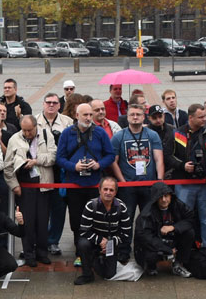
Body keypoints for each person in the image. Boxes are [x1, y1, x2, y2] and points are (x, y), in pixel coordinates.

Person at [57, 100, 117, 243]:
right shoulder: (66, 133)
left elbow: (110, 155)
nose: (88, 118)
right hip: (74, 185)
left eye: (90, 114)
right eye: (85, 115)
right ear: (77, 115)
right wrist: (74, 167)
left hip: (94, 184)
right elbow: (59, 158)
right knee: (76, 220)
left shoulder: (100, 133)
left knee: (96, 219)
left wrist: (98, 165)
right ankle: (79, 251)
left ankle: (96, 249)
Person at [166, 103, 206, 244]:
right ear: (190, 118)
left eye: (205, 116)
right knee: (183, 219)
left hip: (205, 184)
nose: (204, 119)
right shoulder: (176, 133)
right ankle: (184, 251)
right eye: (200, 117)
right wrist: (183, 166)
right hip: (184, 184)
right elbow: (168, 156)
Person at [4, 113, 56, 266]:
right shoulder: (15, 139)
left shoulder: (46, 135)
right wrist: (14, 185)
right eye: (24, 131)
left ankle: (42, 252)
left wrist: (36, 161)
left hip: (43, 184)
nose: (27, 134)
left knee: (42, 221)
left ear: (36, 127)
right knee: (27, 222)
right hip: (24, 186)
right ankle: (29, 254)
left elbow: (53, 156)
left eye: (30, 131)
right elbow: (7, 167)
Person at [74, 177, 132, 285]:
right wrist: (100, 241)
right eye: (105, 189)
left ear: (116, 192)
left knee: (109, 274)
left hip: (111, 242)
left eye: (111, 190)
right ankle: (87, 274)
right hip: (93, 240)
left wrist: (110, 243)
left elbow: (126, 232)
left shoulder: (121, 207)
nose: (108, 193)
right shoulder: (91, 206)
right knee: (82, 243)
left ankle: (96, 259)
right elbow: (83, 230)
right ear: (99, 190)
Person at [112, 104, 164, 223]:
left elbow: (158, 159)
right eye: (132, 114)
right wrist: (122, 181)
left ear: (144, 117)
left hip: (148, 185)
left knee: (149, 219)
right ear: (127, 117)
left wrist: (160, 180)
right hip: (128, 186)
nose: (135, 117)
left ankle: (146, 242)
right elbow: (113, 162)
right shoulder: (119, 136)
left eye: (138, 114)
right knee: (126, 218)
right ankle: (126, 242)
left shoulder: (152, 135)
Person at [134, 181, 195, 278]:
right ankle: (151, 266)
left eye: (166, 196)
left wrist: (174, 227)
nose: (164, 200)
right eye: (160, 197)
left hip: (172, 236)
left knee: (189, 233)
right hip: (156, 242)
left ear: (171, 196)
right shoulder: (146, 214)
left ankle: (178, 264)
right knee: (149, 253)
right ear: (155, 199)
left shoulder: (177, 205)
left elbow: (191, 219)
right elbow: (145, 237)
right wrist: (167, 249)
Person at [35, 94, 70, 255]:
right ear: (43, 104)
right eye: (48, 102)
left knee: (59, 209)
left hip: (61, 171)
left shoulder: (67, 122)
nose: (51, 105)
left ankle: (53, 240)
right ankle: (40, 240)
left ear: (59, 105)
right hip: (41, 170)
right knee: (41, 209)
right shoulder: (34, 121)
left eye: (54, 103)